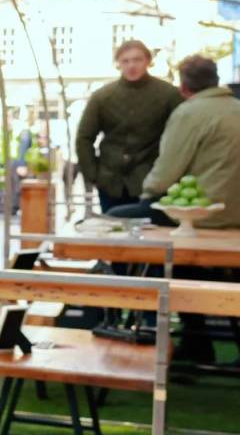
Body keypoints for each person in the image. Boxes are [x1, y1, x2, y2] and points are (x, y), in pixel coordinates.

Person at [139, 56, 240, 363]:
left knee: (165, 261)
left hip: (200, 215)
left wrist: (147, 195)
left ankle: (196, 342)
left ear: (183, 86)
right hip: (235, 217)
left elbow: (169, 167)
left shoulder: (190, 113)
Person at [77, 38, 182, 213]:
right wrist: (93, 175)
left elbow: (179, 137)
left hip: (152, 180)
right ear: (118, 64)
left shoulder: (168, 94)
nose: (131, 66)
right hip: (110, 181)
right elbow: (84, 137)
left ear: (148, 61)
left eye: (137, 60)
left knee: (149, 233)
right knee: (113, 232)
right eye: (125, 61)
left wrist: (169, 174)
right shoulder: (102, 97)